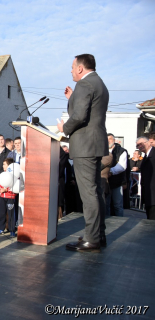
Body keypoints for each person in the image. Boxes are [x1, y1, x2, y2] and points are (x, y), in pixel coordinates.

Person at [57, 54, 109, 252]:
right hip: (95, 145)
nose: (70, 70)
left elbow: (78, 116)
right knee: (95, 191)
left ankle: (92, 238)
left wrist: (64, 128)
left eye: (72, 67)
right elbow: (88, 111)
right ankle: (98, 234)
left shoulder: (85, 85)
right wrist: (73, 98)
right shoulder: (99, 83)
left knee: (88, 193)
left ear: (80, 68)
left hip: (85, 146)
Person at [106, 134, 128, 217]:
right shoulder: (101, 150)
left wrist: (110, 172)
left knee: (117, 205)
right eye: (106, 139)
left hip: (117, 182)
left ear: (114, 140)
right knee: (106, 205)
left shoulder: (121, 151)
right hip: (106, 182)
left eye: (110, 139)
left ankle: (119, 222)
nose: (108, 141)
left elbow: (122, 166)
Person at [0, 158, 17, 237]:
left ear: (10, 166)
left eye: (5, 164)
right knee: (1, 213)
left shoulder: (14, 175)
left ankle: (12, 230)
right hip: (2, 197)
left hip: (11, 197)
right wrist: (0, 189)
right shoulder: (2, 174)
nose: (3, 166)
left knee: (11, 214)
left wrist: (7, 189)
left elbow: (15, 185)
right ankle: (1, 228)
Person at [136, 137, 155, 220]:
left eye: (141, 144)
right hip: (148, 193)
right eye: (138, 145)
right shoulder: (146, 157)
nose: (140, 146)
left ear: (148, 143)